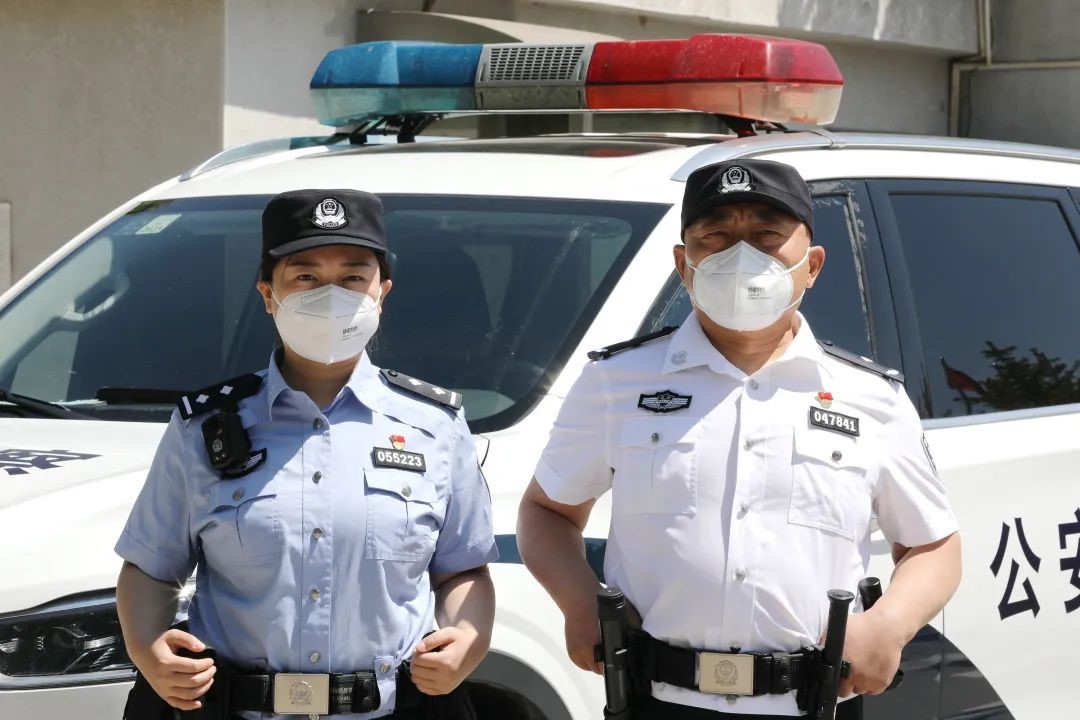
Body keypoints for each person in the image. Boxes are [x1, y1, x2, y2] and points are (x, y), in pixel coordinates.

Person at [517, 160, 962, 719]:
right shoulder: (617, 383)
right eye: (716, 236)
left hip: (811, 703)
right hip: (658, 700)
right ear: (684, 265)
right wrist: (578, 600)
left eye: (767, 234)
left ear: (812, 265)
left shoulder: (872, 399)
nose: (741, 255)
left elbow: (933, 545)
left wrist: (889, 627)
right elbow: (547, 511)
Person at [115, 189, 498, 720]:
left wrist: (467, 642)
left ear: (382, 292)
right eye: (306, 277)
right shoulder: (204, 428)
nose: (331, 295)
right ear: (268, 294)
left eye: (352, 277)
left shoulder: (435, 426)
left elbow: (463, 570)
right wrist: (149, 651)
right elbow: (150, 568)